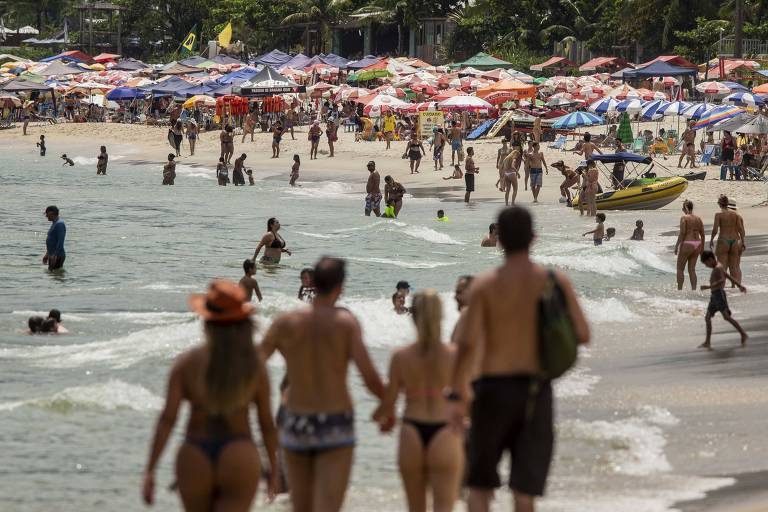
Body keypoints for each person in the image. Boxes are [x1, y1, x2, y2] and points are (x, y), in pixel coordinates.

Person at [449, 206, 590, 512]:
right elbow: (582, 333)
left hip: (490, 392)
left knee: (480, 486)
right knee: (525, 491)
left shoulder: (485, 286)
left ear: (498, 240)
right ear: (534, 238)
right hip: (536, 391)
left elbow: (465, 345)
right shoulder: (555, 281)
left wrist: (456, 399)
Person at [260, 257, 385, 512]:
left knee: (300, 505)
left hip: (296, 418)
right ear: (340, 287)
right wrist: (391, 403)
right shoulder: (345, 323)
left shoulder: (286, 322)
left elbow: (252, 365)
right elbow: (370, 379)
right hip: (335, 420)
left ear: (313, 283)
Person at [142, 280, 279, 510]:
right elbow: (266, 424)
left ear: (206, 321)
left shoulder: (187, 363)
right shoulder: (254, 366)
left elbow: (168, 418)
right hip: (239, 453)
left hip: (195, 452)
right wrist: (274, 471)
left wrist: (150, 470)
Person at [374, 290, 464, 512]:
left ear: (413, 316)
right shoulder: (454, 355)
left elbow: (388, 404)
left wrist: (379, 417)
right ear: (441, 316)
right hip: (445, 431)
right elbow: (466, 398)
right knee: (444, 507)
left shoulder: (401, 356)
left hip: (411, 430)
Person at [699, 250, 748, 349]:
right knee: (707, 317)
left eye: (706, 263)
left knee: (726, 317)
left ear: (711, 259)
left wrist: (708, 286)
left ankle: (743, 334)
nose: (706, 266)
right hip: (714, 296)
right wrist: (740, 285)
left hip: (719, 295)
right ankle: (707, 342)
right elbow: (728, 276)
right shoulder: (719, 266)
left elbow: (722, 280)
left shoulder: (717, 268)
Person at [710, 195, 746, 286]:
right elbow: (741, 229)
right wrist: (743, 241)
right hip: (734, 241)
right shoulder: (736, 215)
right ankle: (736, 289)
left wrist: (711, 240)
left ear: (719, 204)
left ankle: (721, 289)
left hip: (723, 240)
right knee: (734, 267)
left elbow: (715, 230)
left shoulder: (718, 215)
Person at [674, 200, 705, 290]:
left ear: (685, 208)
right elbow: (702, 234)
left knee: (680, 269)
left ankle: (679, 290)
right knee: (692, 269)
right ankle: (694, 290)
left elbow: (683, 233)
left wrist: (676, 246)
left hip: (687, 243)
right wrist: (702, 248)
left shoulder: (684, 218)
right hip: (697, 244)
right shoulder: (698, 218)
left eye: (682, 208)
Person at [43, 205, 66, 271]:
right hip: (52, 255)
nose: (46, 216)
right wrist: (47, 254)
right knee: (53, 276)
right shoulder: (55, 223)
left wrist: (55, 255)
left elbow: (60, 241)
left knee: (56, 276)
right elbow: (52, 241)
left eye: (47, 214)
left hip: (57, 256)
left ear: (51, 213)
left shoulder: (60, 224)